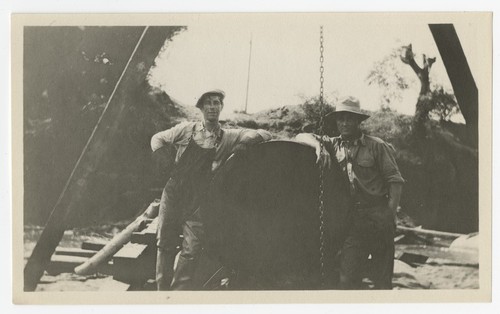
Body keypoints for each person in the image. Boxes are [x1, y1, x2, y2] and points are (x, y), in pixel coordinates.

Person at [151, 89, 272, 290]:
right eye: (208, 103)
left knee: (191, 249)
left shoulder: (226, 136)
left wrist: (245, 143)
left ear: (221, 107)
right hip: (174, 193)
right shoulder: (186, 130)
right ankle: (161, 293)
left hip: (198, 199)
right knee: (164, 244)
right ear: (201, 107)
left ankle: (177, 295)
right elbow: (157, 138)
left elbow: (264, 134)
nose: (212, 107)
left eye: (216, 103)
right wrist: (164, 161)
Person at [295, 96, 404, 289]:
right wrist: (320, 147)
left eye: (349, 118)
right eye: (341, 119)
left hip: (378, 215)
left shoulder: (376, 146)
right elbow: (300, 136)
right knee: (348, 279)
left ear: (358, 121)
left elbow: (395, 181)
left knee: (381, 280)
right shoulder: (333, 145)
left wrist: (390, 215)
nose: (344, 123)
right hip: (353, 219)